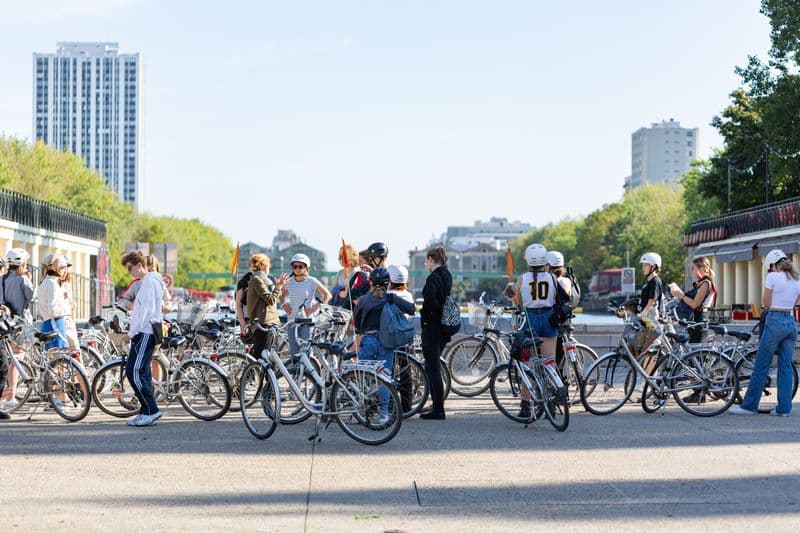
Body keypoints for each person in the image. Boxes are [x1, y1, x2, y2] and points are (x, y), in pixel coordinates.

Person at [731, 249, 800, 416]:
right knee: (785, 367)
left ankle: (749, 406)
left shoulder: (773, 277)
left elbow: (766, 302)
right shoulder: (797, 279)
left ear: (773, 264)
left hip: (775, 319)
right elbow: (797, 302)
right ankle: (784, 408)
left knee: (762, 365)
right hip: (791, 322)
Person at [353, 267, 415, 420]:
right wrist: (394, 299)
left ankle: (362, 411)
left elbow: (357, 325)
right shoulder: (390, 298)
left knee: (364, 377)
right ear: (388, 283)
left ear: (370, 282)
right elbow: (412, 309)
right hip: (385, 342)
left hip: (367, 341)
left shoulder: (363, 300)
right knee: (384, 377)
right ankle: (384, 413)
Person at [513, 244, 559, 418]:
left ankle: (526, 406)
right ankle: (552, 404)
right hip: (548, 319)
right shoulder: (552, 277)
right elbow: (554, 299)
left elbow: (519, 301)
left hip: (530, 320)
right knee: (550, 362)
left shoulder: (522, 279)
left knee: (527, 366)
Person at [121, 250, 166, 427]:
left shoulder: (148, 283)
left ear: (139, 265)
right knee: (141, 371)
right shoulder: (149, 281)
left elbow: (144, 311)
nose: (129, 273)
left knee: (134, 371)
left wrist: (131, 333)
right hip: (146, 331)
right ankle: (146, 410)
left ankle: (150, 409)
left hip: (145, 332)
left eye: (130, 268)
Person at [0, 248, 36, 413]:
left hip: (6, 324)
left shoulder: (2, 279)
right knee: (17, 360)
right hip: (22, 324)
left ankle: (7, 393)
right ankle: (11, 395)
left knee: (9, 359)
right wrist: (29, 279)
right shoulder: (23, 279)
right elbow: (33, 297)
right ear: (22, 263)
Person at [419, 245, 453, 420]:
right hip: (444, 327)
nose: (426, 264)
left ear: (431, 259)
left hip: (432, 327)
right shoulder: (447, 274)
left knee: (433, 368)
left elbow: (431, 303)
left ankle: (438, 408)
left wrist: (425, 316)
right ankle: (436, 404)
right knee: (434, 366)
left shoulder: (433, 278)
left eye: (426, 261)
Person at [280, 254, 331, 356]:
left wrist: (314, 308)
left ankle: (309, 371)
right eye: (295, 266)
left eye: (300, 266)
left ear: (306, 268)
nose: (297, 269)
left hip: (307, 321)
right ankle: (296, 372)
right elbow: (281, 296)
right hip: (292, 321)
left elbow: (327, 295)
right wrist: (284, 305)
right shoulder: (288, 282)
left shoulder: (312, 281)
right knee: (294, 353)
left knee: (306, 353)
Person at [246, 254, 289, 359]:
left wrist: (279, 287)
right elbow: (271, 300)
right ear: (264, 266)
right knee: (260, 359)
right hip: (263, 325)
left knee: (267, 359)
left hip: (268, 324)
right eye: (268, 266)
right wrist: (278, 287)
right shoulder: (257, 280)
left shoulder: (263, 280)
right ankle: (254, 375)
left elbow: (272, 297)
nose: (269, 268)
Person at [386, 265, 416, 412]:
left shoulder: (387, 294)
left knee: (388, 372)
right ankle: (406, 405)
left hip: (389, 338)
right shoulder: (408, 295)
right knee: (405, 371)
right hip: (404, 336)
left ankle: (391, 405)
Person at [669, 256, 716, 343]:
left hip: (700, 320)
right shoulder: (700, 283)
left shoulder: (705, 283)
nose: (691, 271)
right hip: (695, 320)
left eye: (693, 268)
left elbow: (695, 304)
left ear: (701, 269)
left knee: (696, 350)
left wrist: (681, 295)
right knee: (693, 349)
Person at [37, 254, 72, 351]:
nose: (66, 271)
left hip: (49, 323)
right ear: (57, 269)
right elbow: (53, 310)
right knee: (59, 359)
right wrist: (67, 309)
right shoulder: (53, 284)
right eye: (63, 268)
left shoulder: (45, 282)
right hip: (55, 323)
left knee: (55, 360)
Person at [235, 259, 255, 338]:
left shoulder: (266, 281)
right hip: (248, 321)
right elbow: (238, 305)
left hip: (263, 322)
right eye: (253, 266)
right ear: (249, 267)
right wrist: (243, 324)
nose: (256, 269)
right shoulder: (243, 282)